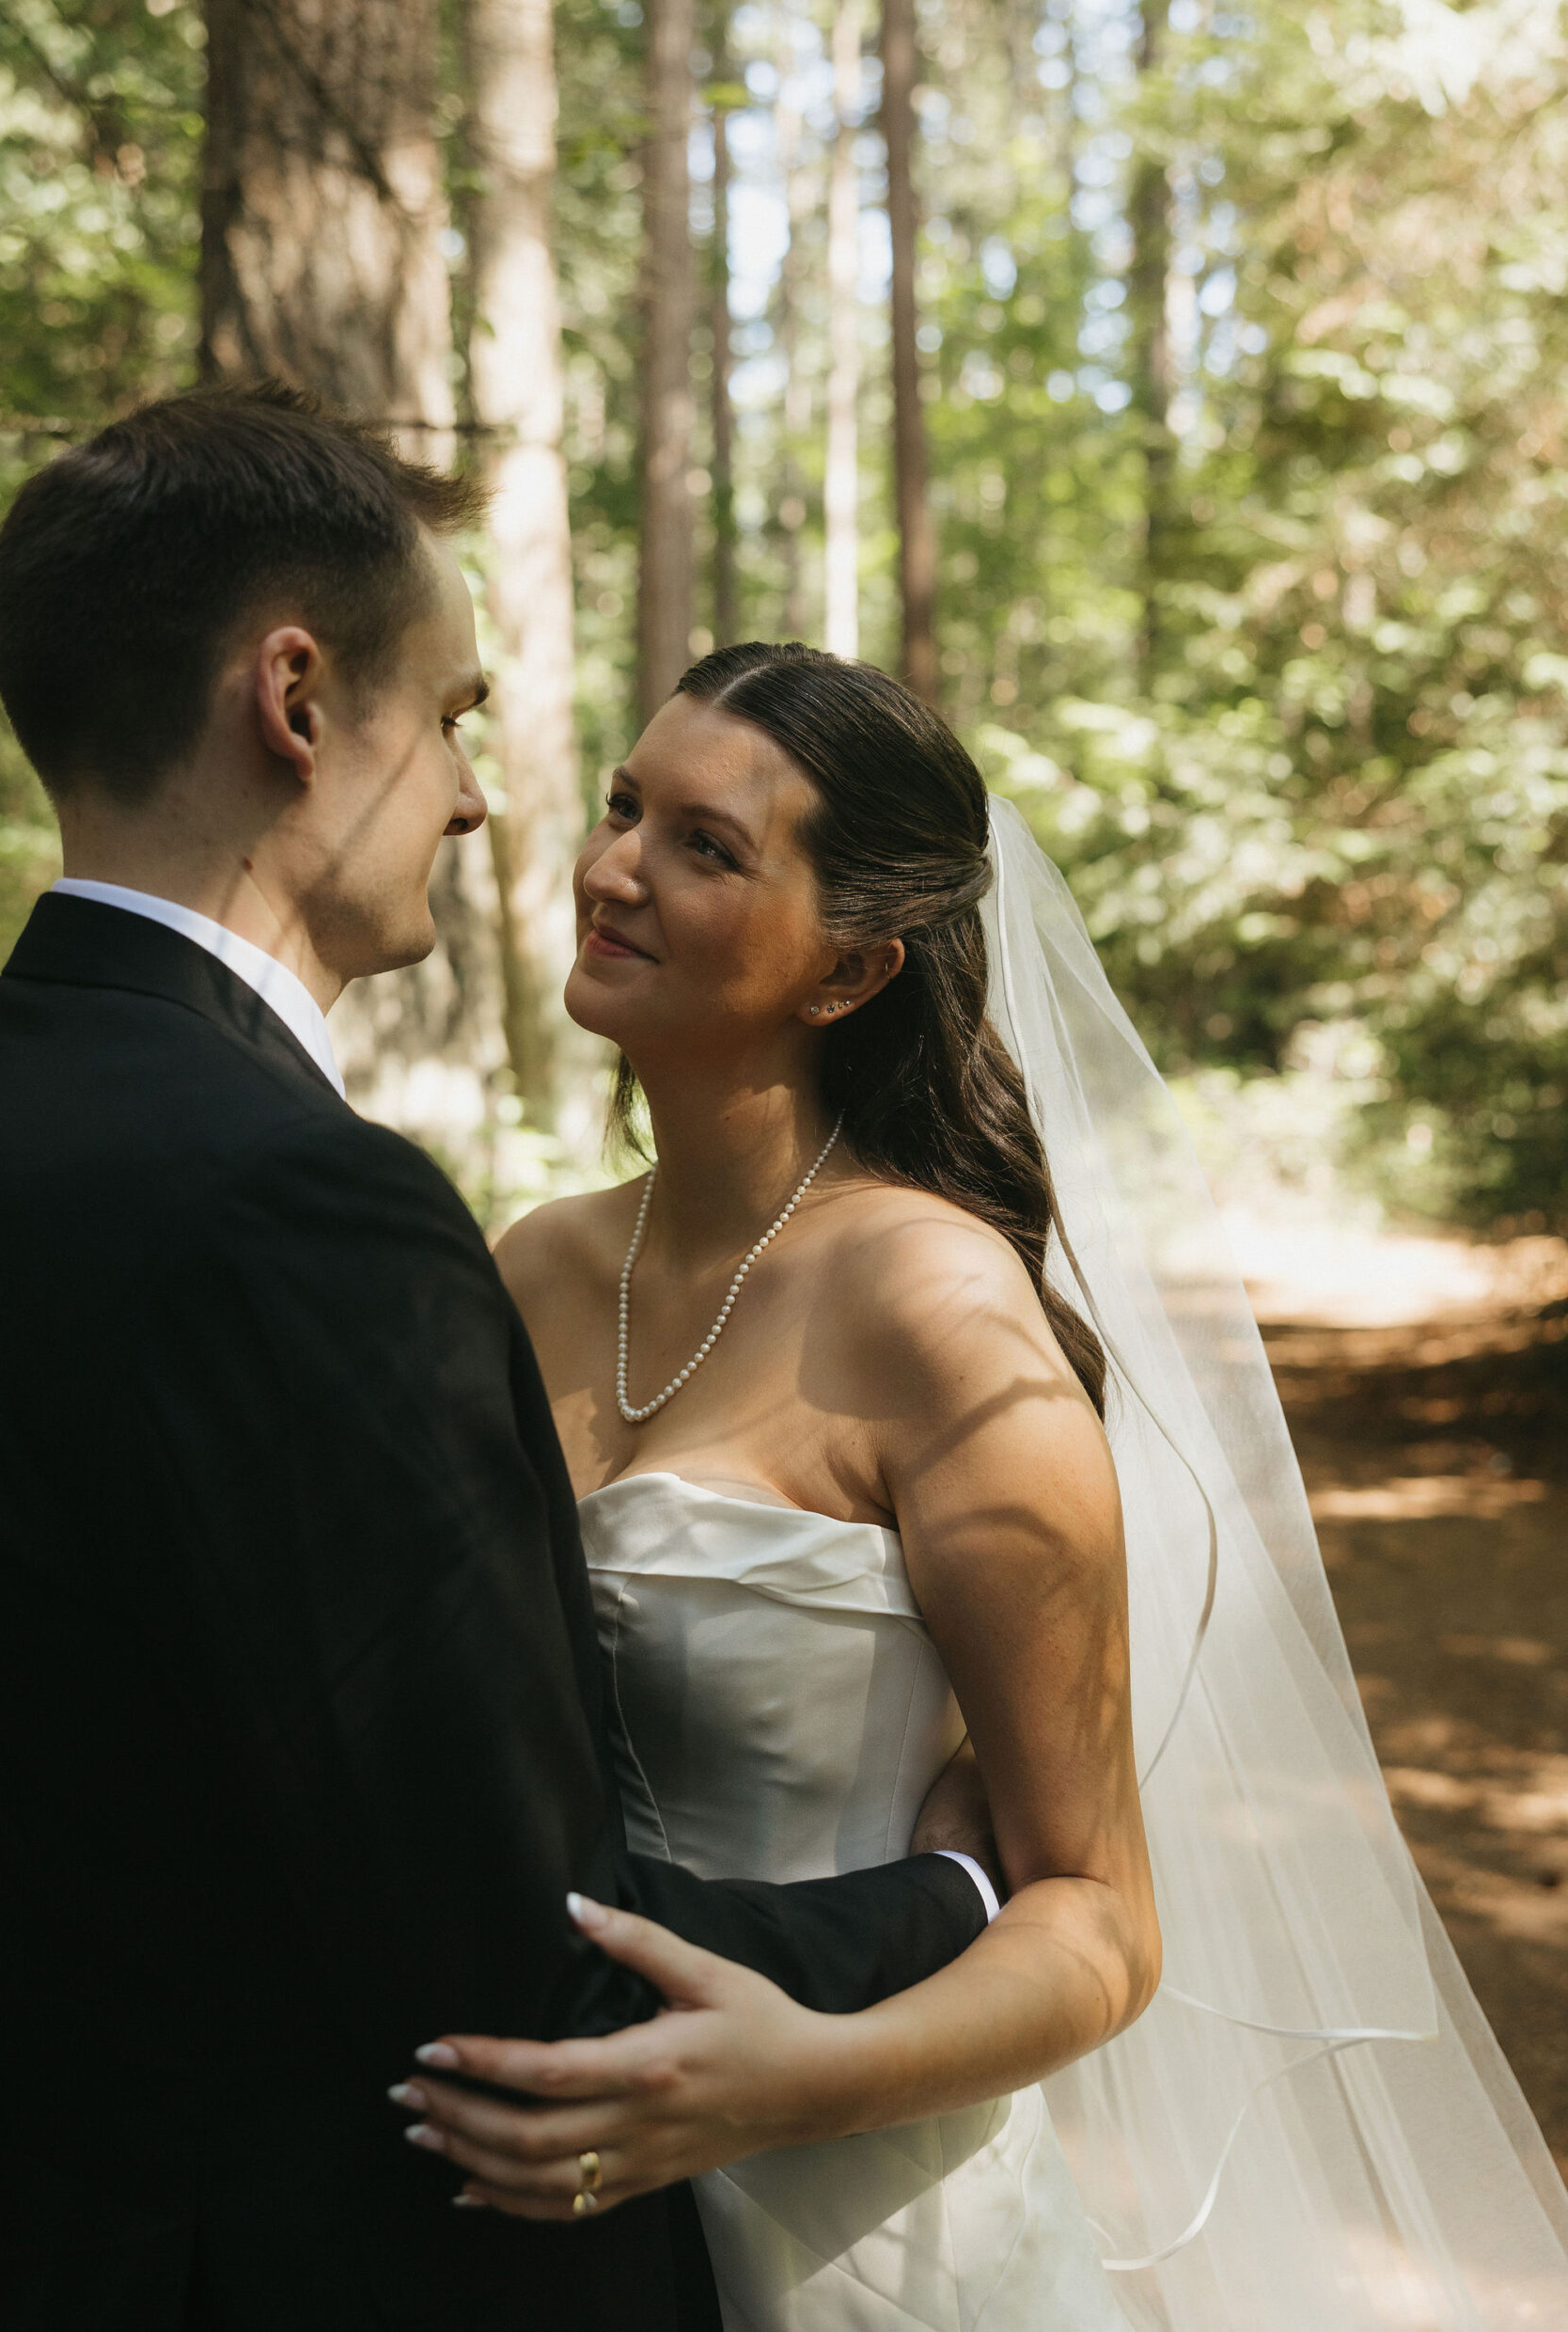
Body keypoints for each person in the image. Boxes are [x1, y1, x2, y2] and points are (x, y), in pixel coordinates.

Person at [0, 395, 1000, 2332]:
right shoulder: (306, 1211)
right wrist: (946, 1898)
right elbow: (537, 1990)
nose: (477, 798)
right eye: (449, 716)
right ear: (293, 696)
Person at [400, 646, 1568, 2331]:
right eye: (622, 809)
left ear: (851, 968)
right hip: (557, 2202)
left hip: (860, 2211)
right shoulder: (533, 1267)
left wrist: (791, 2080)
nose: (610, 870)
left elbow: (1100, 1917)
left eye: (705, 848)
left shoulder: (936, 1312)